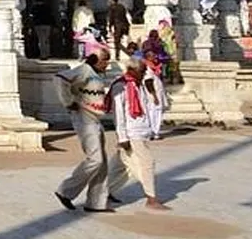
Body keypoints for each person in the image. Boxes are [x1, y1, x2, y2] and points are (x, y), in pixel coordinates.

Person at [54, 45, 113, 213]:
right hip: (85, 120)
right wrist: (68, 101)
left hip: (95, 119)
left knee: (102, 164)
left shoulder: (94, 74)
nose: (106, 65)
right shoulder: (84, 70)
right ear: (95, 60)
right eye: (104, 61)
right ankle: (66, 190)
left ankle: (96, 202)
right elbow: (60, 79)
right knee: (96, 159)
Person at [108, 55, 170, 211]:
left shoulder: (138, 84)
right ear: (131, 70)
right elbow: (119, 114)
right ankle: (151, 198)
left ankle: (102, 191)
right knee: (147, 163)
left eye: (144, 71)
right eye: (140, 71)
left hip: (141, 130)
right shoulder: (120, 86)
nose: (143, 74)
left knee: (121, 167)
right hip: (131, 133)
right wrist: (122, 136)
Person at [140, 51, 170, 140]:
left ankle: (153, 131)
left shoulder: (153, 68)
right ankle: (154, 132)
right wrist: (154, 96)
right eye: (152, 56)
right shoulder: (147, 69)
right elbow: (148, 83)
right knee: (154, 113)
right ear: (148, 57)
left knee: (155, 113)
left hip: (156, 94)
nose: (155, 58)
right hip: (152, 96)